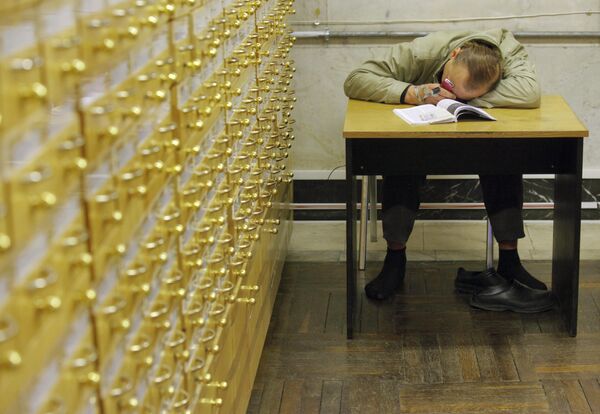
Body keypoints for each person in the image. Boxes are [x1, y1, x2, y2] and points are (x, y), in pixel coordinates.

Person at [343, 28, 554, 312]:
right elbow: (356, 80)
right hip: (418, 132)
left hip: (477, 135)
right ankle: (395, 259)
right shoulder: (425, 50)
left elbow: (529, 92)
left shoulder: (508, 51)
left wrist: (462, 103)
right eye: (449, 83)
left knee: (505, 156)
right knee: (400, 158)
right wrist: (413, 92)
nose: (451, 89)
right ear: (453, 55)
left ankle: (509, 261)